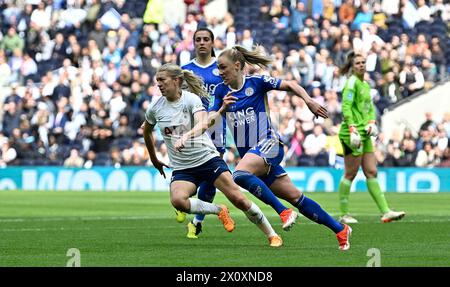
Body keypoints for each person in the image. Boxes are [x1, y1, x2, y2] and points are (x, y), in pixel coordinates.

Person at [208, 45, 352, 251]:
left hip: (270, 144)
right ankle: (340, 229)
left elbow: (291, 85)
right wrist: (222, 108)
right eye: (218, 68)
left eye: (223, 67)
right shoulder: (221, 91)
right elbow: (211, 119)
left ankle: (282, 211)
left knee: (239, 174)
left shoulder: (257, 83)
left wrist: (309, 101)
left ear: (238, 66)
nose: (220, 72)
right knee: (297, 198)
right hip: (255, 158)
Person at [143, 63, 283, 247]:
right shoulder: (155, 108)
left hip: (207, 159)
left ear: (176, 80)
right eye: (157, 81)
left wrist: (186, 135)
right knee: (178, 200)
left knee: (239, 199)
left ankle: (272, 235)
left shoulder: (191, 100)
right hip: (183, 167)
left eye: (162, 80)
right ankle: (219, 210)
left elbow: (203, 124)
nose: (159, 84)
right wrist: (154, 159)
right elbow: (146, 131)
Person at [337, 51, 406, 224]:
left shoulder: (365, 85)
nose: (361, 65)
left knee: (371, 171)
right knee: (351, 173)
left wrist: (372, 122)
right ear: (352, 66)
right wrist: (352, 128)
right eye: (358, 63)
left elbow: (368, 108)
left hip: (365, 133)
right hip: (352, 133)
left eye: (363, 62)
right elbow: (346, 107)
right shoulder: (351, 83)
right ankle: (344, 214)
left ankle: (386, 211)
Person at [174, 28, 226, 239]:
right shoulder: (185, 70)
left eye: (206, 39)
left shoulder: (222, 68)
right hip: (191, 128)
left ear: (213, 43)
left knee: (211, 179)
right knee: (187, 168)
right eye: (198, 39)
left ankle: (197, 222)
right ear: (193, 43)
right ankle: (180, 198)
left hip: (216, 128)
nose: (202, 42)